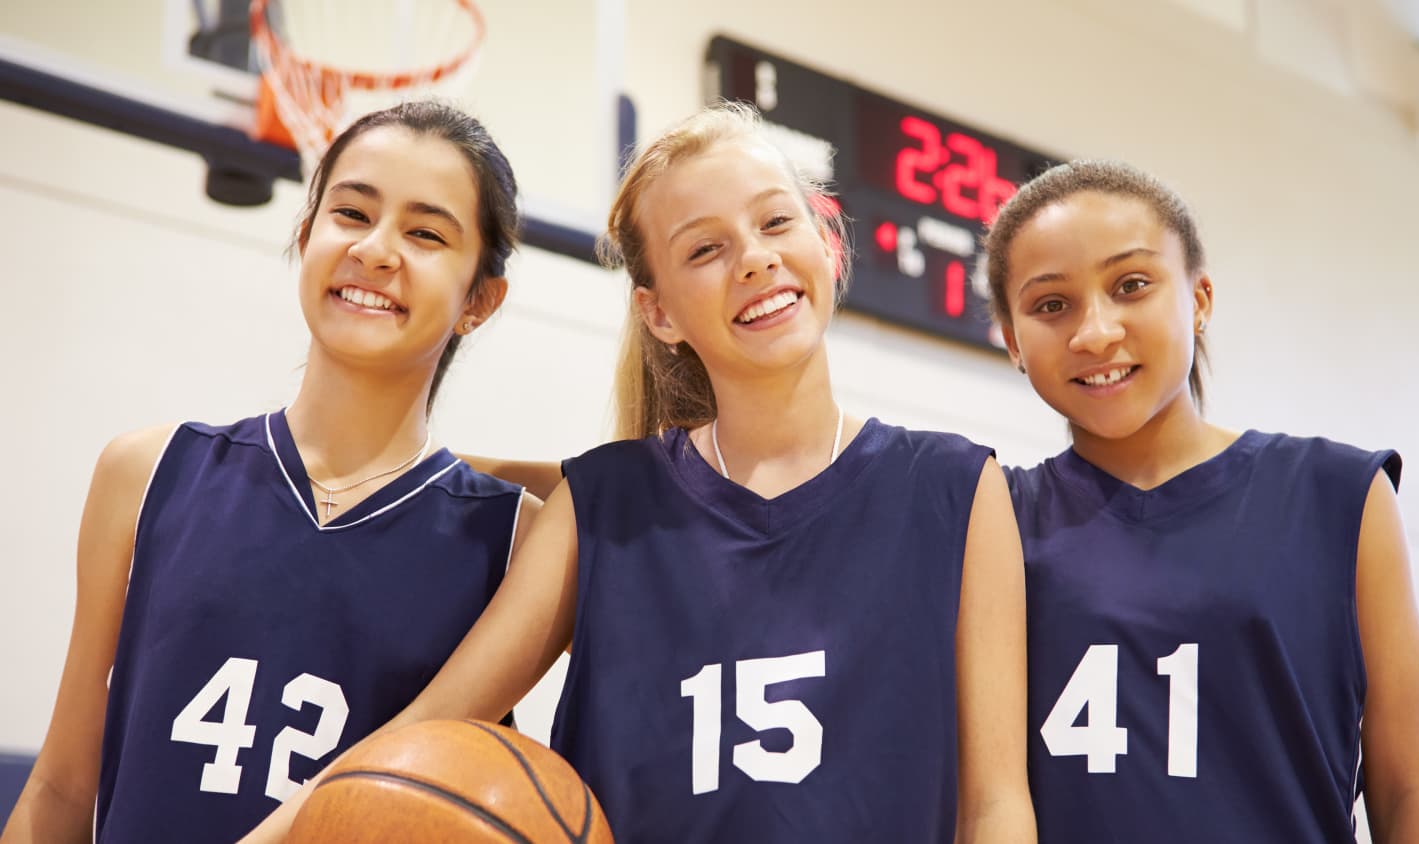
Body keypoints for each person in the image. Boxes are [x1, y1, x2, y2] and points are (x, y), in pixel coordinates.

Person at [245, 102, 1034, 844]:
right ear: (659, 312)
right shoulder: (602, 506)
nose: (754, 260)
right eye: (705, 248)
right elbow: (424, 728)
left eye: (773, 222)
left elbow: (996, 802)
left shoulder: (955, 489)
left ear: (827, 246)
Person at [1, 101, 547, 843]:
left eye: (425, 233)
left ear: (479, 301)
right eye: (351, 212)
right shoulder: (148, 472)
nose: (376, 250)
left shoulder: (519, 543)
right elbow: (63, 785)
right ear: (305, 233)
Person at [983, 159, 1419, 842]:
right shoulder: (990, 516)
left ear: (1199, 298)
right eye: (1050, 305)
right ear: (1011, 341)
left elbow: (1412, 785)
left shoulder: (1340, 494)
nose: (1094, 332)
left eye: (1131, 285)